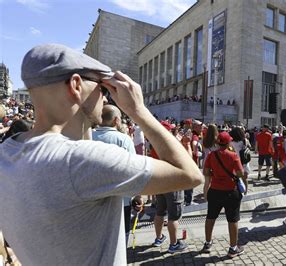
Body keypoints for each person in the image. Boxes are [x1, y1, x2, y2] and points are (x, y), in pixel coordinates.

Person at [0, 44, 203, 265]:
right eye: (103, 89)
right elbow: (190, 174)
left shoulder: (7, 153)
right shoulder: (82, 161)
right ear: (76, 85)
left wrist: (84, 117)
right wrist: (139, 111)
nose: (106, 99)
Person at [92, 104, 136, 246]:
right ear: (116, 120)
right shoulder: (124, 140)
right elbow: (133, 170)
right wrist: (138, 196)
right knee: (120, 240)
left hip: (93, 199)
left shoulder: (87, 136)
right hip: (121, 200)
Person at [202, 132, 246, 257]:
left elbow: (205, 171)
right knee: (233, 220)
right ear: (228, 143)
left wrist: (216, 174)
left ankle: (207, 243)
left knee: (210, 217)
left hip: (215, 190)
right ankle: (232, 248)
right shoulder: (233, 155)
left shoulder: (211, 155)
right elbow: (240, 173)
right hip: (230, 191)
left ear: (217, 143)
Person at [151, 121, 187, 253]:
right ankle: (173, 244)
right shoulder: (172, 145)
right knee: (173, 216)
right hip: (173, 182)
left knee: (160, 212)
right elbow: (186, 160)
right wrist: (184, 144)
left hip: (160, 182)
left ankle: (158, 238)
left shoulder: (154, 143)